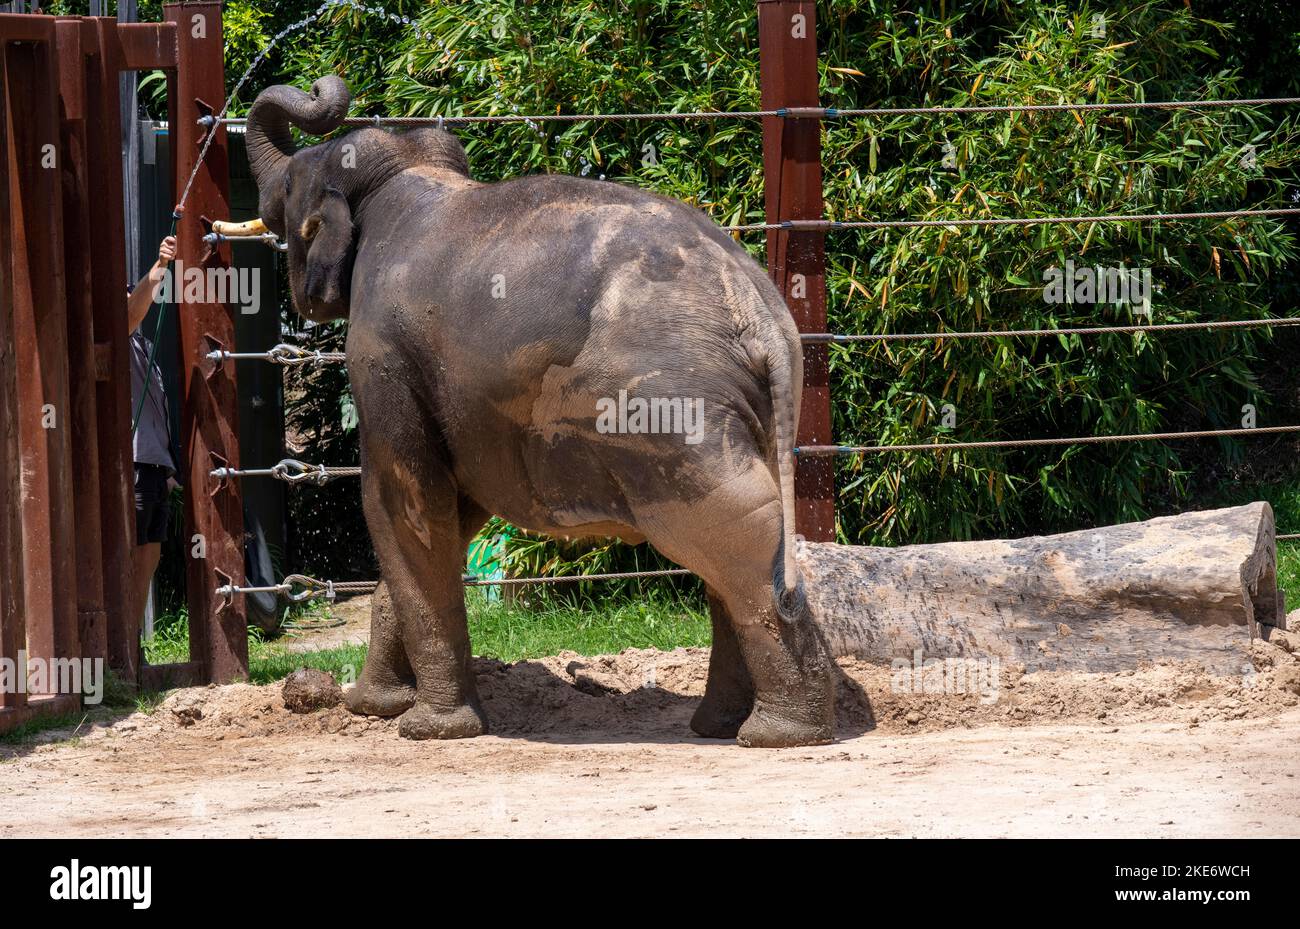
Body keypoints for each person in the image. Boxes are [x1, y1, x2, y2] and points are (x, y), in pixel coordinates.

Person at [126, 235, 179, 626]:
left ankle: (129, 646)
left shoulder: (145, 350)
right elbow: (129, 313)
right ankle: (120, 651)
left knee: (149, 557)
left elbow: (158, 415)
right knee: (131, 553)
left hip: (155, 468)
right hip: (135, 464)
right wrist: (160, 266)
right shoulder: (121, 338)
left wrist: (169, 469)